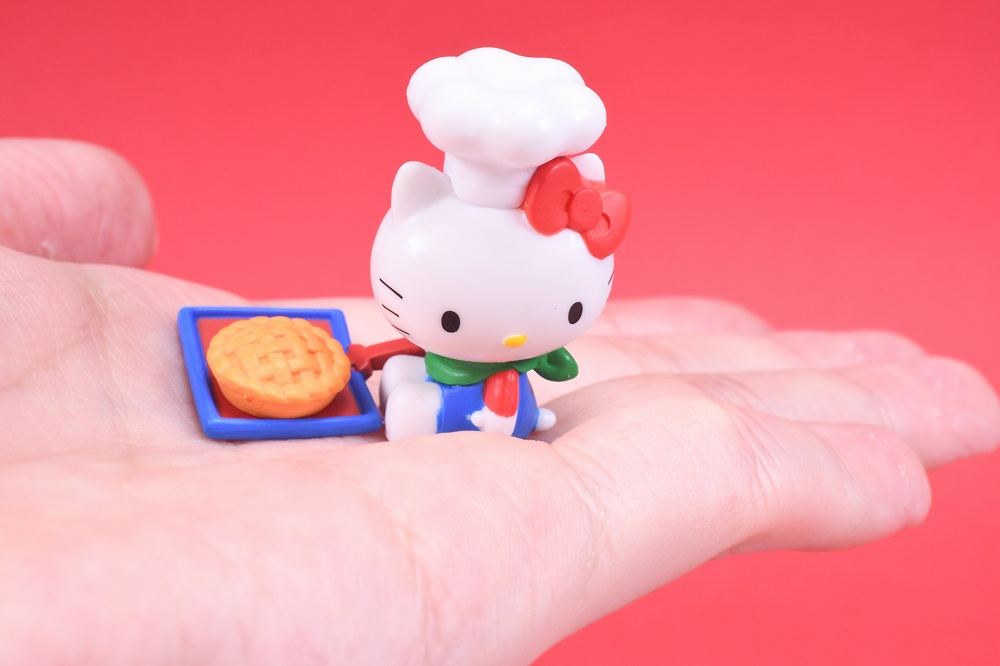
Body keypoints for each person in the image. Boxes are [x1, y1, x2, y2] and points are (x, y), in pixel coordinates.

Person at [0, 138, 997, 665]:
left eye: (564, 311)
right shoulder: (412, 315)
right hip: (423, 396)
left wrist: (528, 392)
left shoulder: (526, 353)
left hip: (490, 408)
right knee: (417, 394)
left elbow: (533, 364)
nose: (526, 336)